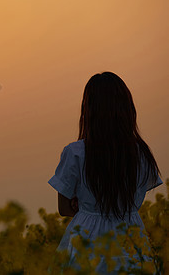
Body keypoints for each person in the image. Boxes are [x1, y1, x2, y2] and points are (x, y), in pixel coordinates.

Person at [48, 71, 163, 274]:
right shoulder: (141, 153)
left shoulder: (75, 153)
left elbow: (63, 208)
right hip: (131, 234)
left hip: (87, 237)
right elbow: (135, 201)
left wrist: (84, 204)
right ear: (127, 109)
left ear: (88, 110)